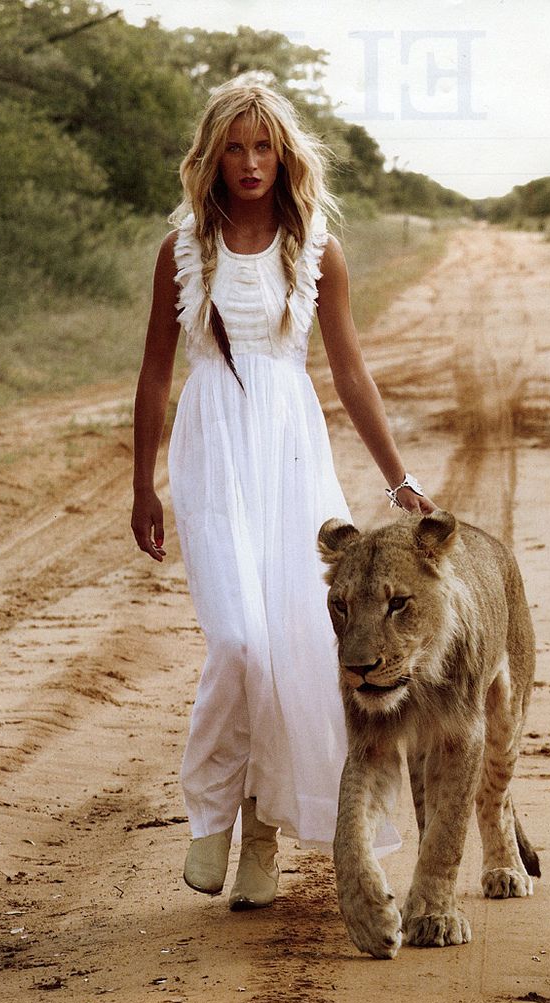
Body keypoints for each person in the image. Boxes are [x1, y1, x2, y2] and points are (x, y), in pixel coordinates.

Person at [130, 75, 436, 912]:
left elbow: (350, 371)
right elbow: (155, 373)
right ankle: (212, 812)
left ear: (284, 155)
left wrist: (399, 477)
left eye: (263, 146)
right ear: (211, 156)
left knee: (296, 650)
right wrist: (142, 484)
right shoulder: (182, 250)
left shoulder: (318, 251)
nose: (250, 162)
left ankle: (262, 832)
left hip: (292, 456)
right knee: (240, 644)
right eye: (233, 147)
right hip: (213, 453)